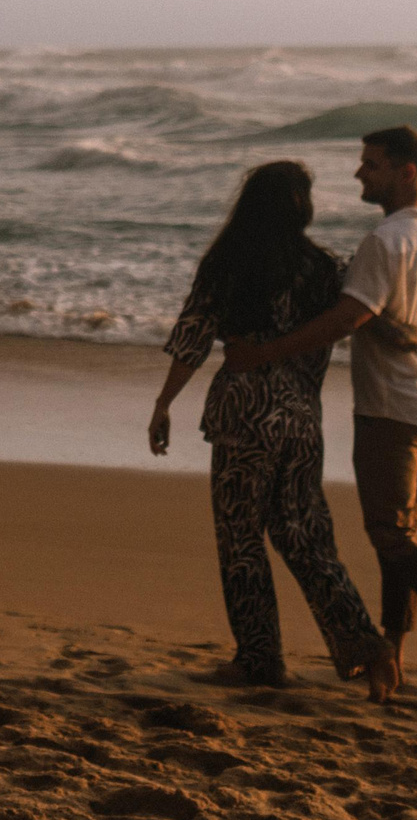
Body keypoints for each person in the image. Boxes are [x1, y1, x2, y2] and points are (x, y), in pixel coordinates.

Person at [221, 125, 417, 701]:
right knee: (400, 534)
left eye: (372, 164)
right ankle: (397, 657)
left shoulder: (384, 241)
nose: (359, 173)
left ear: (407, 172)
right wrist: (406, 332)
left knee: (389, 534)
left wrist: (261, 354)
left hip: (391, 408)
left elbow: (344, 320)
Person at [149, 160, 392, 699]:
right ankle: (368, 649)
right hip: (302, 421)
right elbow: (352, 324)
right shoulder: (324, 269)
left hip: (245, 418)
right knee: (307, 539)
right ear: (300, 207)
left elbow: (193, 334)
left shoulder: (229, 263)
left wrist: (164, 404)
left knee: (241, 541)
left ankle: (260, 658)